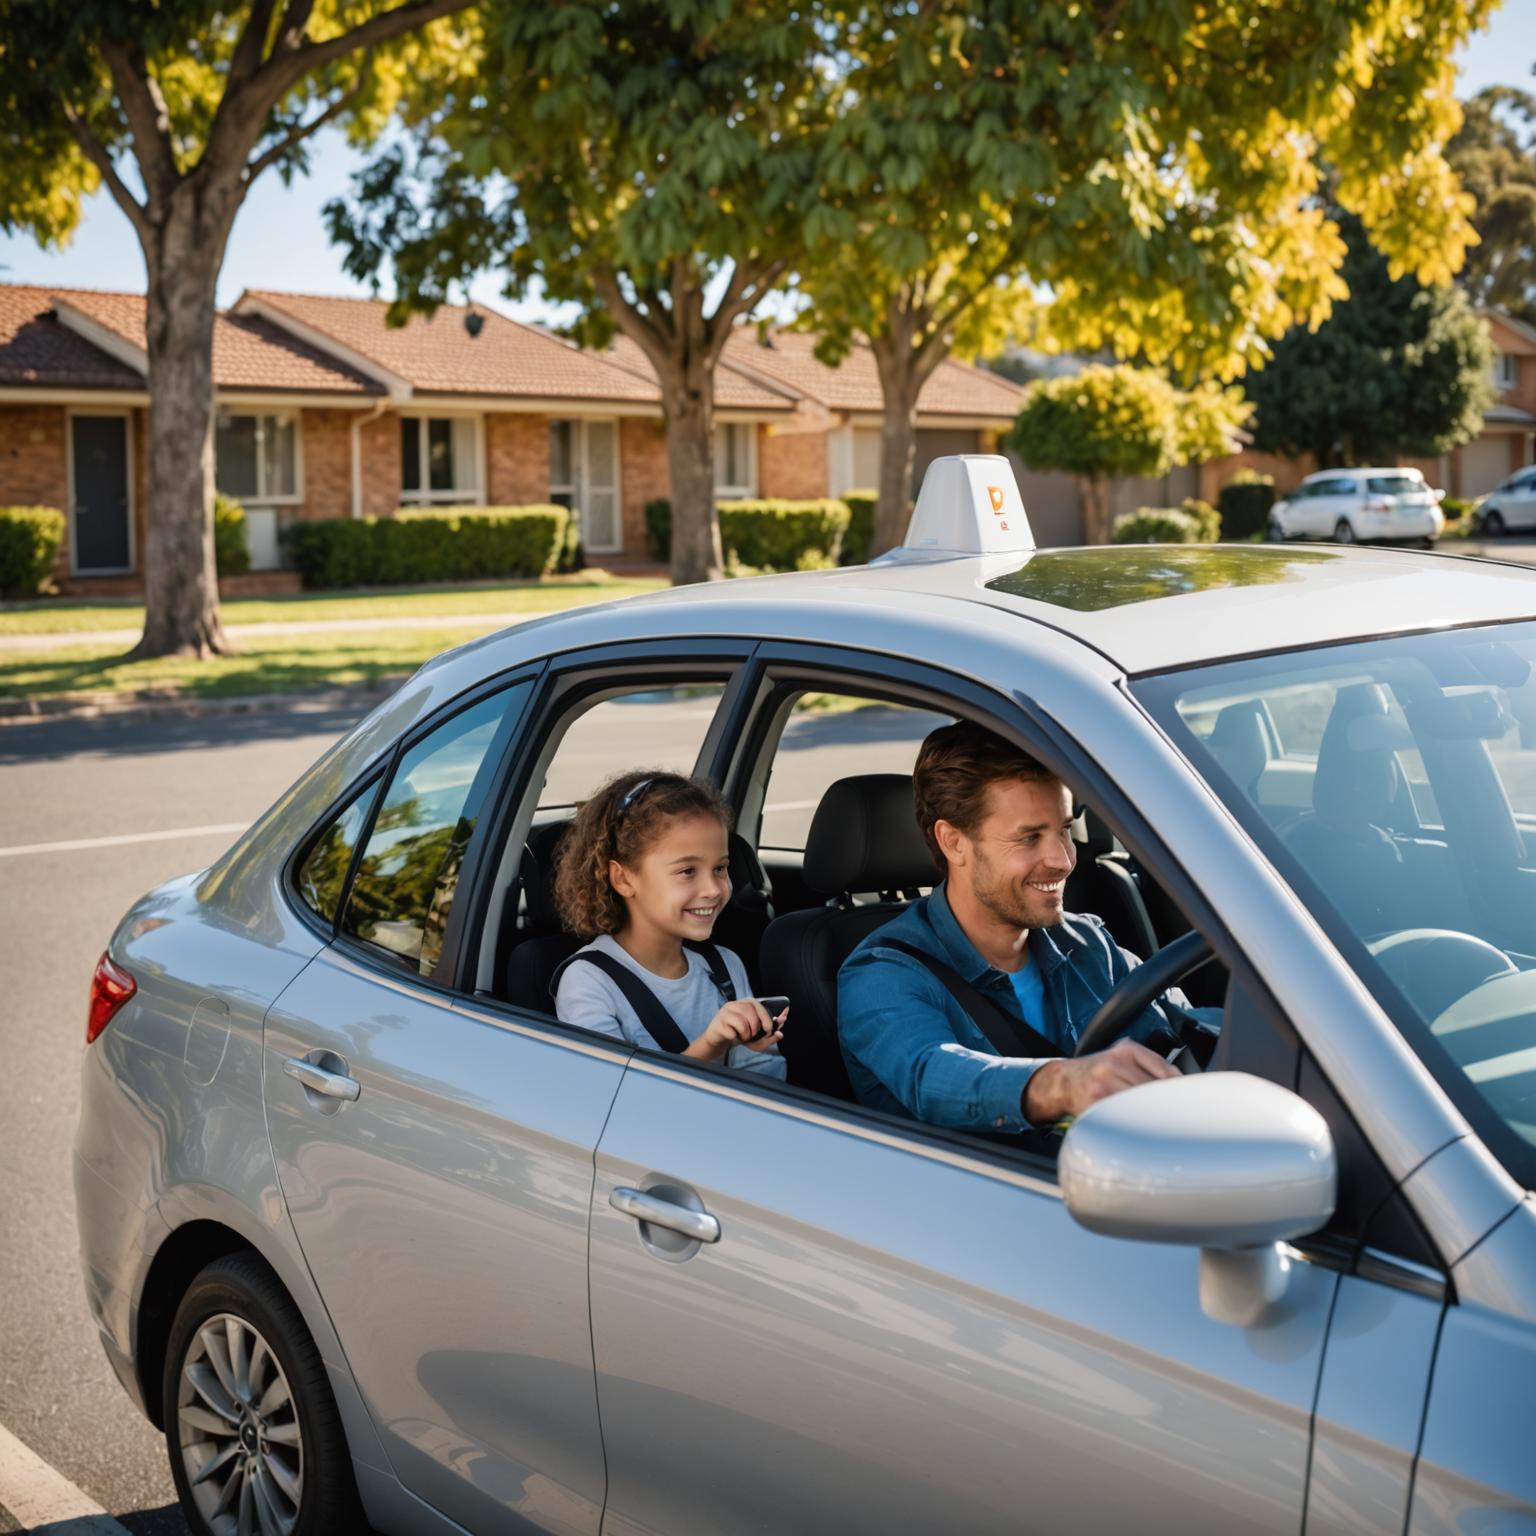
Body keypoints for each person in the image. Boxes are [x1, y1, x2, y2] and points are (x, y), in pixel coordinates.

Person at [838, 721, 1193, 1133]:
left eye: (1063, 830)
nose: (1062, 859)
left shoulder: (1086, 942)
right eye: (1029, 838)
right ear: (953, 842)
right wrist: (1063, 1084)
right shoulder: (882, 973)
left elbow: (1186, 1024)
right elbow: (930, 1073)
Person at [552, 769, 787, 1078]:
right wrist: (711, 1045)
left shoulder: (725, 966)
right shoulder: (589, 982)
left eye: (720, 868)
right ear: (623, 878)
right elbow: (614, 1102)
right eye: (687, 871)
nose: (714, 889)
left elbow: (765, 1075)